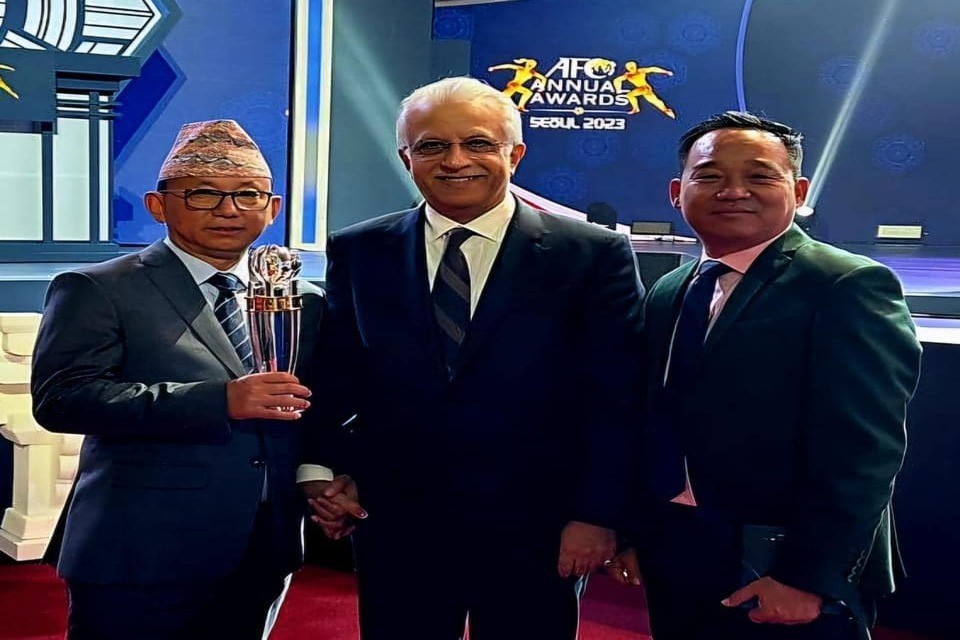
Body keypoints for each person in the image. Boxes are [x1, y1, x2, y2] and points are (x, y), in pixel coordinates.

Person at [301, 76, 645, 640]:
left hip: (539, 526)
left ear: (516, 154)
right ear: (406, 158)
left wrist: (597, 515)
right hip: (396, 520)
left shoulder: (590, 253)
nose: (455, 160)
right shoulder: (360, 249)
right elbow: (338, 373)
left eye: (478, 143)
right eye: (432, 145)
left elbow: (617, 395)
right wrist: (321, 470)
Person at [608, 111, 922, 640]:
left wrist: (807, 576)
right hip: (678, 547)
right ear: (676, 193)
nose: (733, 191)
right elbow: (655, 419)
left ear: (798, 191)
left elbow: (864, 451)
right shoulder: (671, 289)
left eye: (759, 175)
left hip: (780, 558)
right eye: (710, 175)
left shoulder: (845, 285)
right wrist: (638, 532)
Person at [32, 120, 321, 640]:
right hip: (140, 547)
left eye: (248, 195)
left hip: (262, 542)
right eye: (203, 194)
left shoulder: (301, 300)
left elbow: (318, 404)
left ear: (273, 208)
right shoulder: (99, 288)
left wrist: (324, 475)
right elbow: (63, 399)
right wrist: (218, 400)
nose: (228, 209)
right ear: (158, 205)